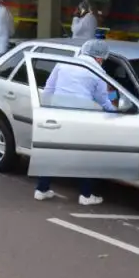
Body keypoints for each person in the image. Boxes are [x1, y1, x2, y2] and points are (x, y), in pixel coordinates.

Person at [34, 40, 113, 206]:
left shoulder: (64, 63)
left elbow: (49, 89)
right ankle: (86, 195)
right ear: (99, 58)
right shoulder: (98, 72)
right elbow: (103, 101)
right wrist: (117, 111)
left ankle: (41, 190)